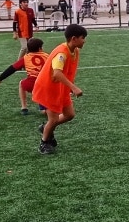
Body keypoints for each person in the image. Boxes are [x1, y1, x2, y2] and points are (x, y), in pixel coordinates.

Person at [32, 24, 88, 154]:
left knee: (69, 115)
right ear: (74, 38)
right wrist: (73, 87)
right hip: (49, 88)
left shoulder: (75, 50)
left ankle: (46, 128)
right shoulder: (61, 53)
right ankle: (44, 142)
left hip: (60, 88)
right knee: (54, 119)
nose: (84, 40)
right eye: (82, 37)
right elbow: (57, 73)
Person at [0, 37, 49, 115]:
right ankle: (49, 109)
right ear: (40, 48)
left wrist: (1, 78)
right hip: (47, 84)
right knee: (45, 99)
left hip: (32, 84)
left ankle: (24, 108)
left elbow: (12, 68)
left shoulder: (26, 58)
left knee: (21, 84)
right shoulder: (47, 56)